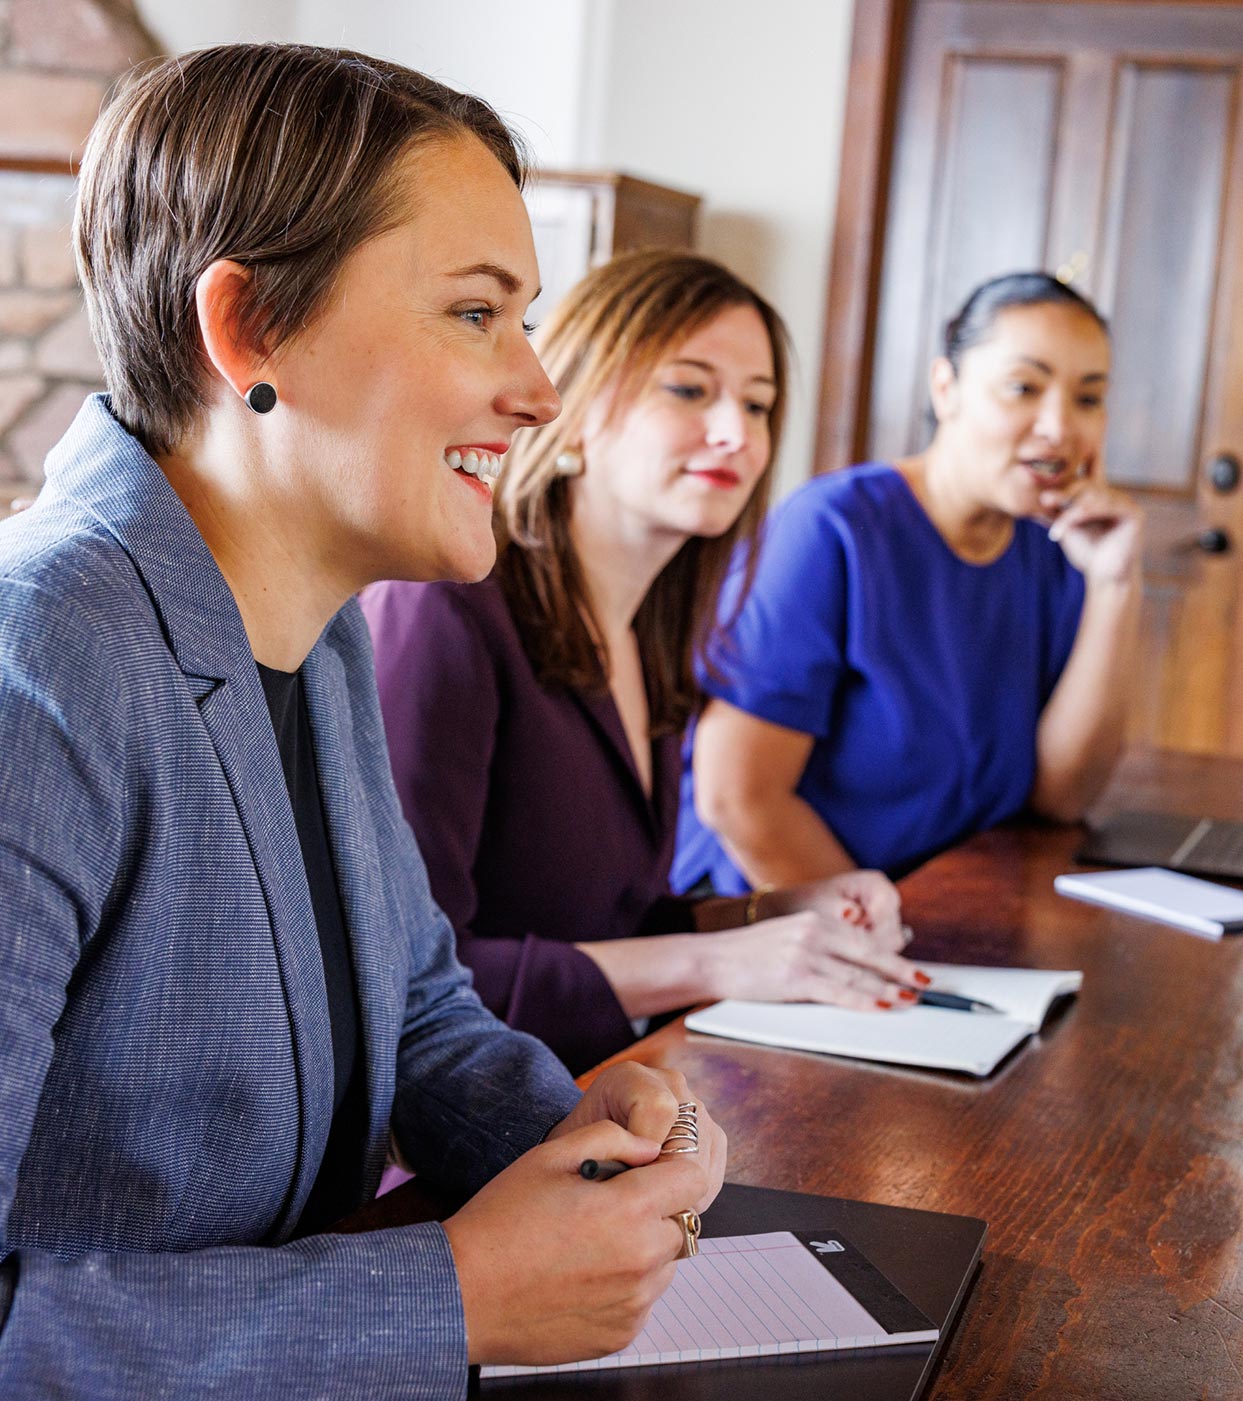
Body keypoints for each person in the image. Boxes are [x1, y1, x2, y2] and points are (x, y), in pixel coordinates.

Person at [0, 45, 725, 1396]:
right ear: (249, 329)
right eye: (475, 314)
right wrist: (450, 1298)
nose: (540, 389)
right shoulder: (37, 662)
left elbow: (415, 1012)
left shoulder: (319, 625)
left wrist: (578, 1133)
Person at [363, 250, 928, 1074]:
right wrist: (716, 964)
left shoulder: (650, 633)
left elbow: (606, 921)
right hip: (450, 1141)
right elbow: (405, 978)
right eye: (689, 389)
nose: (736, 431)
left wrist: (771, 916)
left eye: (759, 404)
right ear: (579, 407)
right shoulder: (443, 614)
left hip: (595, 1093)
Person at [673, 271, 1144, 894]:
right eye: (1022, 387)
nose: (1059, 426)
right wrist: (883, 941)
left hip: (945, 905)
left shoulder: (1057, 542)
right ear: (946, 389)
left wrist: (1115, 584)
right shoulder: (832, 530)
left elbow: (1062, 796)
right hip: (780, 912)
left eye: (1088, 397)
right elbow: (739, 801)